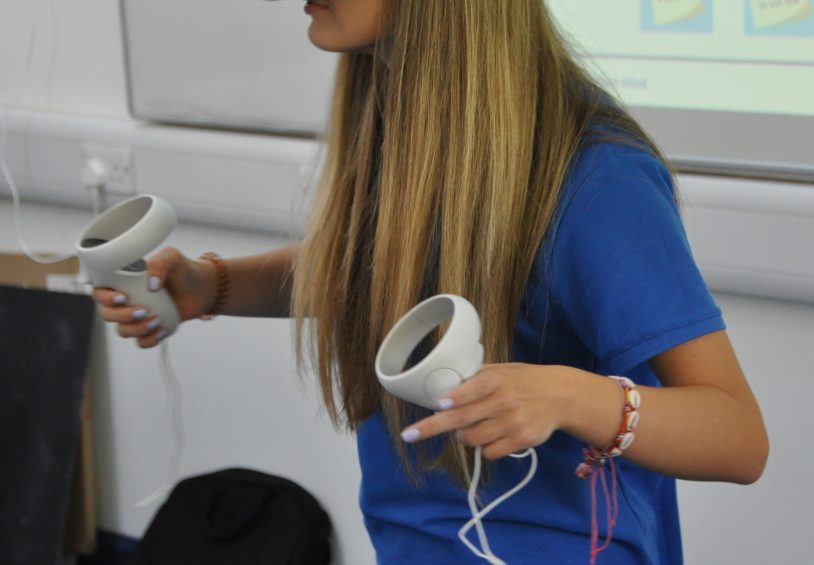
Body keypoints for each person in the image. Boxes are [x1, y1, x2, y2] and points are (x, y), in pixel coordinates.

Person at [92, 1, 769, 563]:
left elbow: (738, 435)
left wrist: (569, 395)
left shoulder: (598, 178)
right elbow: (378, 267)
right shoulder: (414, 126)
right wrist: (213, 286)